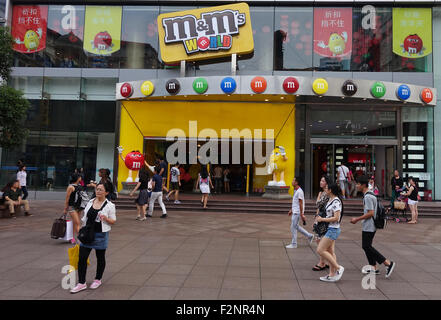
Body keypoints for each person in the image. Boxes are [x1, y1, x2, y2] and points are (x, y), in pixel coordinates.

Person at [70, 183, 116, 294]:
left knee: (100, 258)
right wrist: (81, 228)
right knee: (82, 258)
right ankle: (81, 283)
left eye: (101, 190)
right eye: (97, 189)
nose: (98, 191)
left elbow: (113, 221)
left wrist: (105, 218)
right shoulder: (90, 202)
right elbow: (85, 217)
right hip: (87, 234)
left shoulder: (110, 205)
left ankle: (98, 279)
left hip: (100, 235)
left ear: (107, 192)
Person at [351, 175, 396, 277]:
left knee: (366, 246)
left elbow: (370, 213)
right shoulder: (370, 195)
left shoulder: (368, 197)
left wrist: (356, 219)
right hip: (371, 224)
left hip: (369, 225)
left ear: (363, 185)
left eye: (358, 184)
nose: (356, 186)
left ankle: (387, 263)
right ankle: (373, 267)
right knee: (367, 246)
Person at [316, 183, 345, 282]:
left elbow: (337, 218)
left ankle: (338, 268)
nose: (325, 189)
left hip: (333, 229)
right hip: (331, 229)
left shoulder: (336, 201)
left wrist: (322, 219)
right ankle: (332, 274)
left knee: (320, 250)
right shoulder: (330, 200)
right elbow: (319, 205)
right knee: (330, 252)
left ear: (331, 190)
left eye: (327, 188)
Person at [286, 177, 314, 249]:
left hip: (297, 212)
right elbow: (296, 203)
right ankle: (309, 236)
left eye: (293, 180)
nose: (292, 181)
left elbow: (301, 203)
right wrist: (291, 210)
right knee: (296, 227)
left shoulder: (299, 192)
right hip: (295, 211)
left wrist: (302, 214)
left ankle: (294, 244)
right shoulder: (296, 191)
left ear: (296, 182)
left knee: (293, 227)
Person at [312, 176, 331, 271]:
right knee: (319, 240)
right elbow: (318, 208)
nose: (320, 182)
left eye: (323, 180)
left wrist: (319, 196)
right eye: (320, 180)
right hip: (320, 218)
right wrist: (315, 218)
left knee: (320, 241)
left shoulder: (326, 194)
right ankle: (326, 261)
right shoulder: (323, 193)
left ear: (327, 183)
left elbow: (318, 204)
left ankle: (322, 262)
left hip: (324, 219)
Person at [64, 173, 86, 244]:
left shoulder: (79, 185)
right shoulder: (70, 187)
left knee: (75, 223)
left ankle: (72, 237)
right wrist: (65, 208)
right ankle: (81, 239)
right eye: (80, 177)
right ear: (77, 178)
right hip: (72, 207)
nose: (81, 178)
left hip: (79, 207)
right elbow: (67, 198)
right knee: (77, 222)